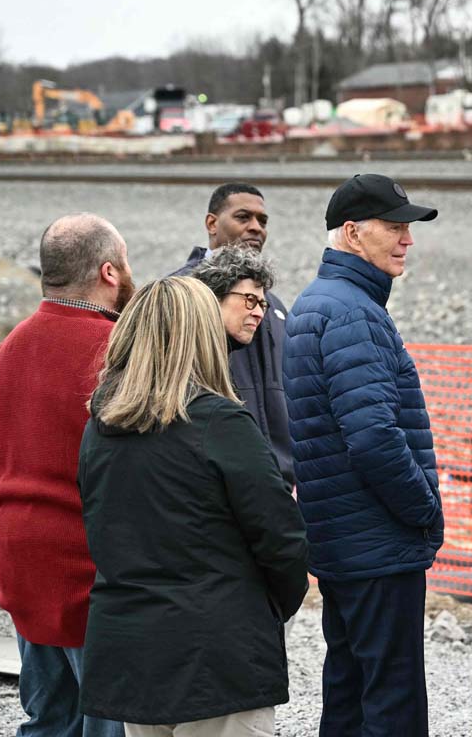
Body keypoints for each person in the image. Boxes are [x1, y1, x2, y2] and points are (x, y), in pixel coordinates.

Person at [77, 276, 309, 737]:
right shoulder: (220, 422)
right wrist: (267, 608)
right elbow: (281, 538)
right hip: (218, 650)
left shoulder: (100, 426)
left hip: (132, 647)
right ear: (202, 336)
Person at [283, 173, 443, 736]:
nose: (408, 239)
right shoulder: (353, 312)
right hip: (377, 544)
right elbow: (373, 436)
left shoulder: (318, 302)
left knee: (349, 693)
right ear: (352, 233)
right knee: (392, 700)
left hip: (342, 539)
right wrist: (423, 509)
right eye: (395, 227)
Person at [0, 213, 133, 737]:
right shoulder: (116, 351)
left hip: (20, 561)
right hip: (87, 571)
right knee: (110, 723)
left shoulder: (8, 350)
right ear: (109, 271)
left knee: (48, 720)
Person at [171, 182, 292, 486]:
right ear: (212, 223)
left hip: (278, 478)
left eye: (262, 221)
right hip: (210, 476)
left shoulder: (276, 306)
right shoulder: (178, 294)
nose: (256, 228)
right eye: (243, 217)